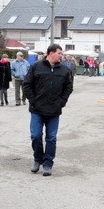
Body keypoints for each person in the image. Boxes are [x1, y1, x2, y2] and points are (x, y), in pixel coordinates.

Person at [22, 44, 74, 176]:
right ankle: (37, 159)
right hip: (37, 109)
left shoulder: (64, 70)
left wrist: (61, 102)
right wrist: (33, 100)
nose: (61, 56)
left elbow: (68, 87)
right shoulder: (36, 67)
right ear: (51, 53)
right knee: (36, 136)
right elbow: (27, 85)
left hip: (54, 110)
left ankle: (47, 163)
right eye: (59, 53)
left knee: (51, 138)